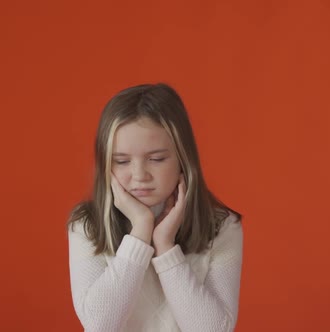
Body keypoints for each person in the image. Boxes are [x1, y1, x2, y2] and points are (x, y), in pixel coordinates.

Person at [67, 83, 243, 332]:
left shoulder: (222, 227)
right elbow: (99, 325)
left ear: (183, 158)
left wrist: (166, 248)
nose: (139, 175)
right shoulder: (85, 225)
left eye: (156, 159)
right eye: (122, 161)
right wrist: (140, 230)